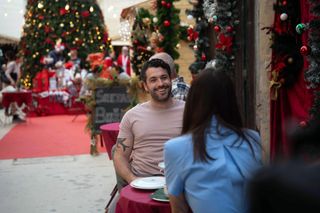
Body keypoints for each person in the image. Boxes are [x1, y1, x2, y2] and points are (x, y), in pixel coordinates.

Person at [164, 68, 262, 213]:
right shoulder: (252, 138)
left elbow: (179, 209)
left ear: (193, 102)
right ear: (232, 101)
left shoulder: (176, 148)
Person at [113, 58, 185, 190]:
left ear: (171, 80)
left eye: (164, 78)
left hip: (180, 183)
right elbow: (120, 156)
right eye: (153, 80)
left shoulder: (189, 111)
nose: (160, 83)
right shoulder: (132, 115)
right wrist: (133, 180)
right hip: (142, 181)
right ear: (145, 86)